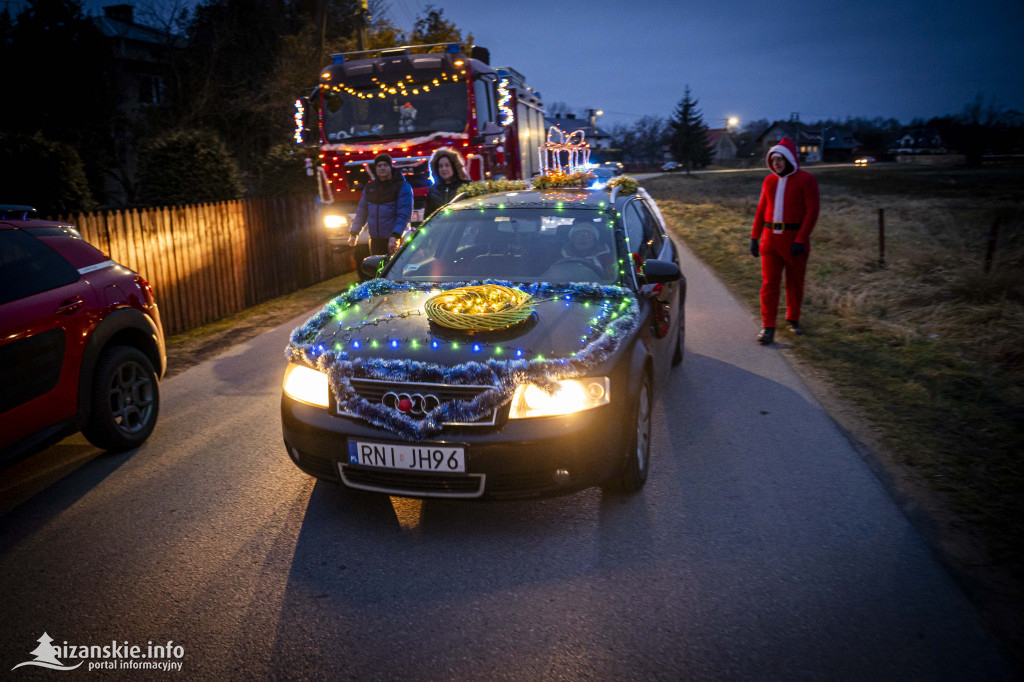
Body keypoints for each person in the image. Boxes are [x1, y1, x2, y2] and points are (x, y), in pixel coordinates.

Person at [749, 137, 819, 345]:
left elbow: (812, 212)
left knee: (794, 283)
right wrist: (754, 237)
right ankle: (768, 326)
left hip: (794, 241)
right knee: (769, 284)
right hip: (770, 241)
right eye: (773, 159)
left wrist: (801, 239)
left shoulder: (806, 180)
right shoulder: (769, 181)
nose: (776, 163)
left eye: (780, 159)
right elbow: (761, 210)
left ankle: (793, 318)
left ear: (789, 159)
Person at [348, 153, 413, 267]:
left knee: (394, 269)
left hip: (394, 239)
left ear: (390, 167)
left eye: (385, 165)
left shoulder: (402, 187)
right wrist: (354, 233)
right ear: (376, 169)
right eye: (379, 165)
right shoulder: (370, 188)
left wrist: (396, 235)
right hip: (375, 241)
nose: (382, 168)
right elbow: (362, 212)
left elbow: (403, 214)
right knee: (377, 270)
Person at [425, 148, 469, 217]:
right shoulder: (433, 190)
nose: (444, 169)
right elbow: (428, 216)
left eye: (447, 165)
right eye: (440, 166)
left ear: (454, 167)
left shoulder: (467, 186)